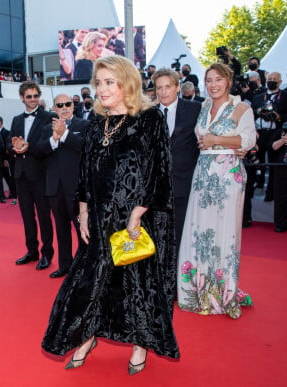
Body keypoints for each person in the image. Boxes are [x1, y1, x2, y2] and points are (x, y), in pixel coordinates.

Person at [42, 56, 179, 375]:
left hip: (137, 218)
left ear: (127, 83)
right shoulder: (94, 121)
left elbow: (159, 172)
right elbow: (86, 172)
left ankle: (140, 344)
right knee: (92, 282)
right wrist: (84, 211)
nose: (101, 89)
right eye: (98, 83)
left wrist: (137, 215)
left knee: (135, 285)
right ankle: (87, 336)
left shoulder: (149, 118)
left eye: (109, 82)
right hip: (101, 217)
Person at [177, 63, 256, 319]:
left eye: (218, 79)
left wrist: (216, 140)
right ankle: (197, 289)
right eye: (209, 80)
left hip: (227, 176)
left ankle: (221, 290)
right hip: (202, 174)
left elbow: (248, 140)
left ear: (228, 81)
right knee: (200, 232)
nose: (213, 85)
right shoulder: (201, 107)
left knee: (224, 234)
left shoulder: (241, 108)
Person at [37, 94, 90, 278]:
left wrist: (65, 134)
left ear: (73, 106)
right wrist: (54, 138)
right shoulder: (46, 129)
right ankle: (65, 265)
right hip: (54, 188)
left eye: (68, 104)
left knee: (82, 229)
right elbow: (39, 151)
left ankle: (84, 269)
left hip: (76, 188)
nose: (65, 107)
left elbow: (85, 148)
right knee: (61, 229)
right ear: (54, 108)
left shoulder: (83, 126)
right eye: (60, 105)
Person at [152, 68, 201, 253]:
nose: (163, 91)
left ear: (177, 87)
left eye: (167, 86)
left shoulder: (194, 109)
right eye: (159, 87)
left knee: (182, 236)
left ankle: (180, 278)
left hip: (185, 184)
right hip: (157, 188)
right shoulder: (149, 114)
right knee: (158, 237)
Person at [8, 80, 54, 270]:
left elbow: (48, 145)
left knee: (44, 216)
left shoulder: (48, 117)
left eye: (36, 96)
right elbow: (8, 144)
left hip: (40, 174)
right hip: (21, 174)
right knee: (27, 216)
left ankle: (47, 253)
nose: (33, 99)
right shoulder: (17, 120)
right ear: (22, 98)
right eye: (29, 96)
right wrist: (14, 148)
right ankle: (32, 250)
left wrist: (28, 148)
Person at [251, 72, 287, 202]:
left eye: (274, 79)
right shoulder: (258, 97)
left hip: (276, 133)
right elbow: (251, 115)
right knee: (256, 160)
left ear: (280, 82)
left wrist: (279, 117)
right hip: (259, 133)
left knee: (274, 163)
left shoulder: (286, 97)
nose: (272, 81)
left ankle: (271, 192)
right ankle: (255, 185)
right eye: (269, 79)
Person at [271, 108, 287, 232]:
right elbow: (273, 146)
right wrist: (283, 140)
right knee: (281, 196)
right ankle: (281, 223)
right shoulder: (282, 128)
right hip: (282, 165)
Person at [0, 116, 16, 199]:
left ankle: (13, 193)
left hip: (5, 159)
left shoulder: (7, 132)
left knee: (8, 177)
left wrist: (6, 159)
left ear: (0, 122)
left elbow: (7, 148)